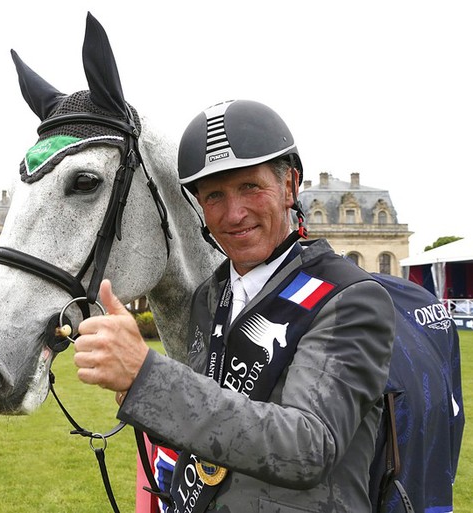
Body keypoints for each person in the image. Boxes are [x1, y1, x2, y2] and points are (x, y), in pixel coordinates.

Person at [73, 100, 395, 512]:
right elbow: (213, 420)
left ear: (290, 187)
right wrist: (137, 392)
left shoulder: (350, 298)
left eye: (250, 187)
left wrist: (149, 376)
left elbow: (307, 448)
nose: (234, 213)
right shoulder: (210, 296)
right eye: (214, 196)